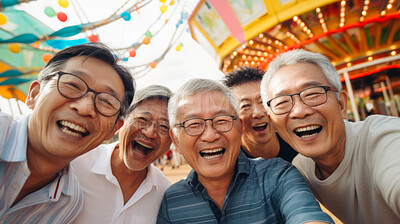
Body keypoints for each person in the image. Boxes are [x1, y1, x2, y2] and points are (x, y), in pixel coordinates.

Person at [157, 78, 334, 224]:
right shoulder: (171, 202)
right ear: (176, 141)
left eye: (222, 120)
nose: (210, 136)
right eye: (193, 124)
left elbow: (306, 215)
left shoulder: (278, 175)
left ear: (240, 128)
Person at [260, 49, 400, 223]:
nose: (299, 111)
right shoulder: (300, 169)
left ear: (341, 104)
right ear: (272, 123)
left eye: (312, 94)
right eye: (282, 103)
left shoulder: (383, 137)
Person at [0, 43, 135, 223]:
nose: (85, 107)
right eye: (72, 85)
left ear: (113, 130)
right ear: (34, 94)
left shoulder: (68, 205)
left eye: (106, 102)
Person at [71, 85, 172, 223]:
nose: (150, 133)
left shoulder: (165, 194)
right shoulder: (73, 166)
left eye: (164, 127)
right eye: (142, 119)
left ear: (171, 141)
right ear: (119, 123)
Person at [224, 66, 298, 162]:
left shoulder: (298, 142)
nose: (258, 113)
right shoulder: (230, 164)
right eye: (245, 106)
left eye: (262, 102)